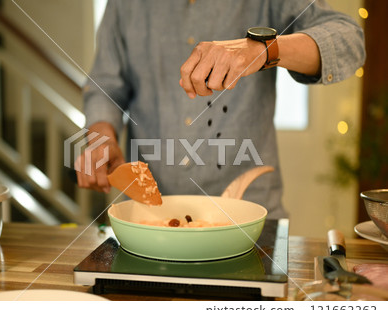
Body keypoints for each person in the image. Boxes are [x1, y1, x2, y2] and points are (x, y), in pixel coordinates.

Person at [76, 0, 365, 219]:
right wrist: (102, 136)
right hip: (151, 217)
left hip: (249, 215)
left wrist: (262, 50)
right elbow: (105, 84)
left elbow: (348, 40)